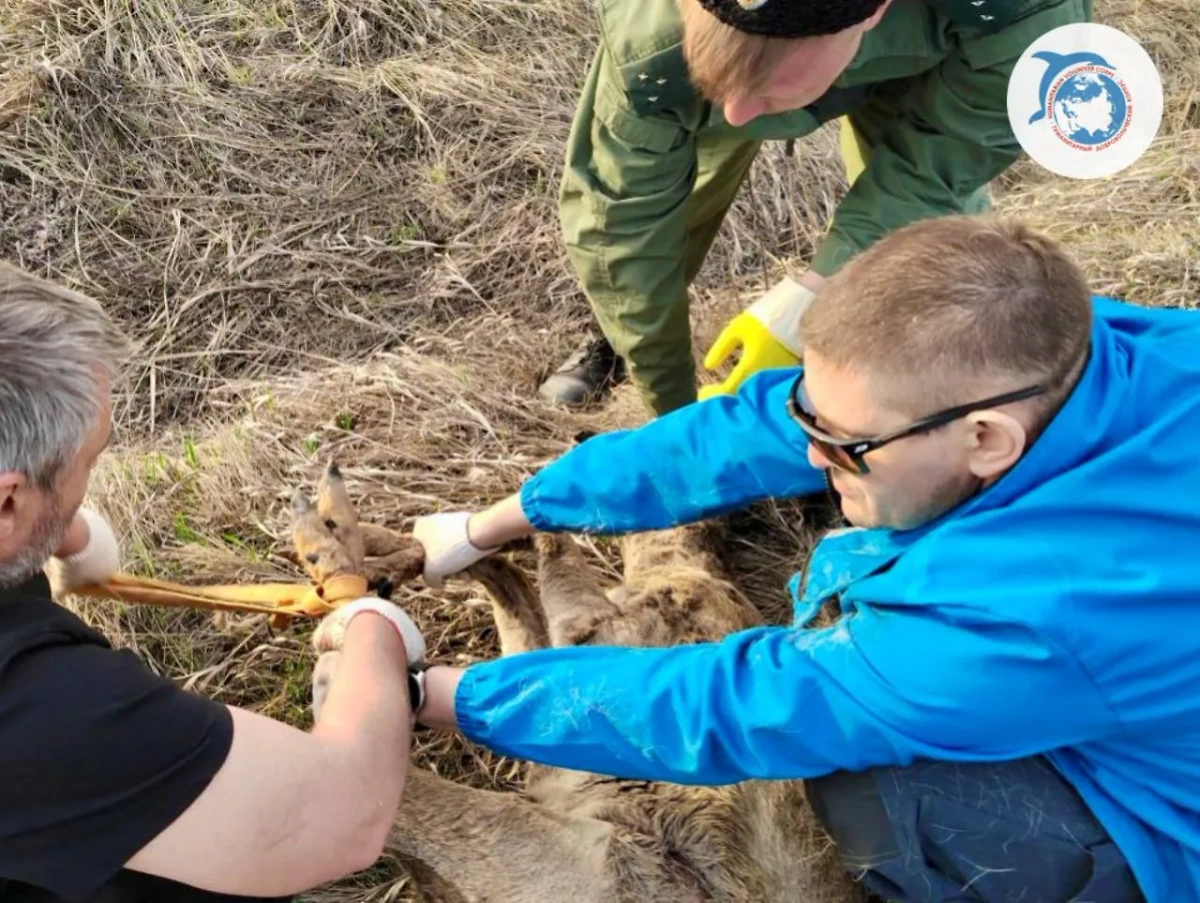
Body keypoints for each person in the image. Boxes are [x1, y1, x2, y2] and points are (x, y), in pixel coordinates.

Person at [408, 216, 1200, 902]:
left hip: (1168, 818)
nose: (814, 455)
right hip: (1120, 665)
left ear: (987, 439)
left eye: (846, 449)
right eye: (812, 419)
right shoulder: (1074, 349)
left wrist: (443, 695)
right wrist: (502, 519)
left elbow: (751, 703)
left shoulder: (1029, 610)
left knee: (874, 783)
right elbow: (756, 429)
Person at [0, 264, 427, 902]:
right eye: (89, 461)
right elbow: (345, 813)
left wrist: (56, 528)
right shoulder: (47, 713)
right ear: (7, 501)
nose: (89, 481)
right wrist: (369, 620)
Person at [537, 0, 1094, 415]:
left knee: (924, 244)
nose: (738, 114)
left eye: (768, 91)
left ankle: (900, 395)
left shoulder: (1023, 13)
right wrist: (673, 403)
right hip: (765, 45)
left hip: (945, 47)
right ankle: (618, 343)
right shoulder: (655, 42)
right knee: (682, 198)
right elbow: (625, 223)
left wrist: (822, 284)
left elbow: (936, 167)